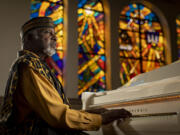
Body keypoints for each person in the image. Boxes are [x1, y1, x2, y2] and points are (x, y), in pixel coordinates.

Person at [0, 17, 131, 135]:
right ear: (29, 38)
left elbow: (55, 110)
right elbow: (56, 116)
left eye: (55, 34)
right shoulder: (28, 65)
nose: (55, 38)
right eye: (48, 33)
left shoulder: (36, 64)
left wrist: (89, 113)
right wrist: (102, 119)